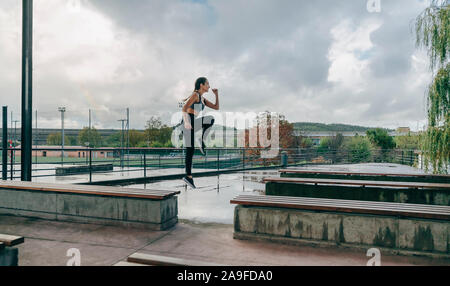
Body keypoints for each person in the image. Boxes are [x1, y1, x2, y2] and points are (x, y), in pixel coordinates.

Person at [181, 77, 219, 189]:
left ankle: (201, 140)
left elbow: (216, 107)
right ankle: (188, 176)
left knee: (210, 119)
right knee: (190, 150)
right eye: (207, 84)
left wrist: (216, 94)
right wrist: (187, 122)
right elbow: (184, 109)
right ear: (201, 85)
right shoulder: (195, 95)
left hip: (193, 122)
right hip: (187, 121)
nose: (209, 86)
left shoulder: (202, 99)